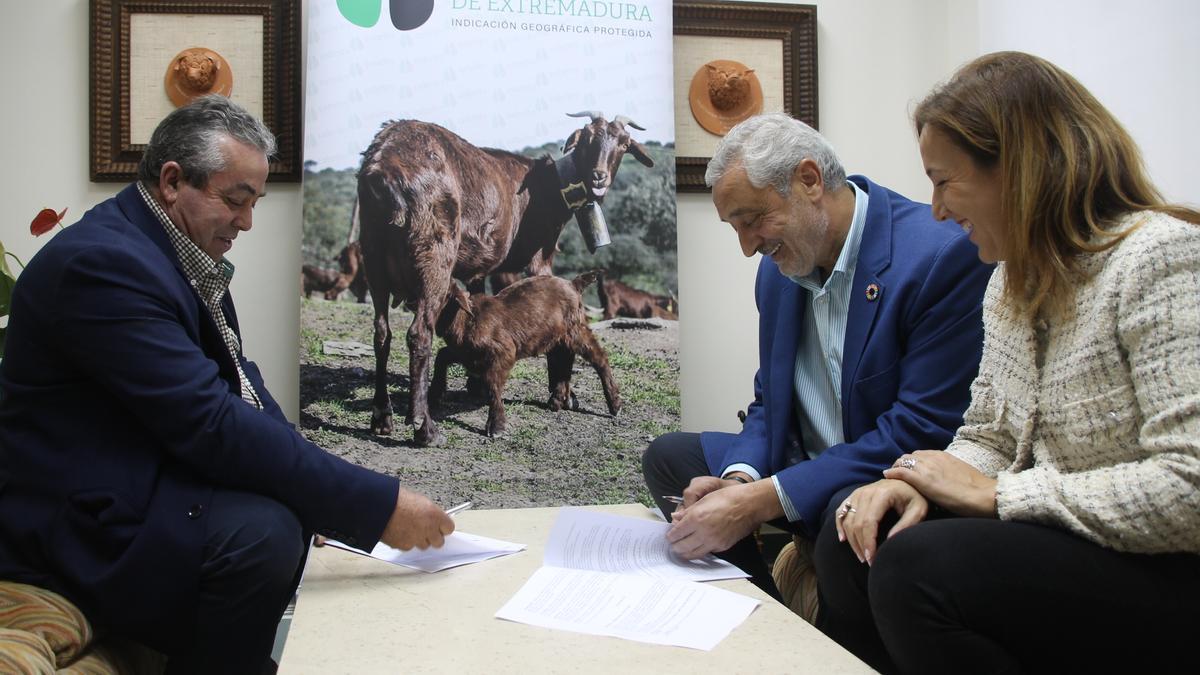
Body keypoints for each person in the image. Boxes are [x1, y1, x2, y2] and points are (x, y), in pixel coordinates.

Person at [0, 96, 454, 673]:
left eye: (254, 203)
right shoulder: (103, 267)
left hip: (138, 479)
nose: (247, 222)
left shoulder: (166, 249)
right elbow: (210, 420)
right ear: (172, 180)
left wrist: (316, 492)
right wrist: (375, 503)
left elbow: (242, 384)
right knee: (259, 536)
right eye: (236, 200)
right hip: (74, 526)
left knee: (276, 518)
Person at [816, 51, 1200, 674]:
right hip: (1062, 540)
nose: (936, 209)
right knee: (853, 530)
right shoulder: (1008, 283)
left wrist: (999, 496)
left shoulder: (1160, 259)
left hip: (1161, 568)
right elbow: (989, 434)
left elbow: (1190, 489)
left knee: (917, 571)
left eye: (945, 180)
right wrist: (903, 483)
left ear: (1021, 170)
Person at [641, 113, 993, 599]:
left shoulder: (939, 257)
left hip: (882, 471)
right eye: (735, 228)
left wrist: (760, 500)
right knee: (669, 456)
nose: (748, 248)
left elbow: (920, 429)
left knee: (843, 516)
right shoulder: (778, 271)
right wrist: (738, 479)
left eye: (753, 221)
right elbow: (770, 400)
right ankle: (763, 612)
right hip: (807, 461)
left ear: (808, 180)